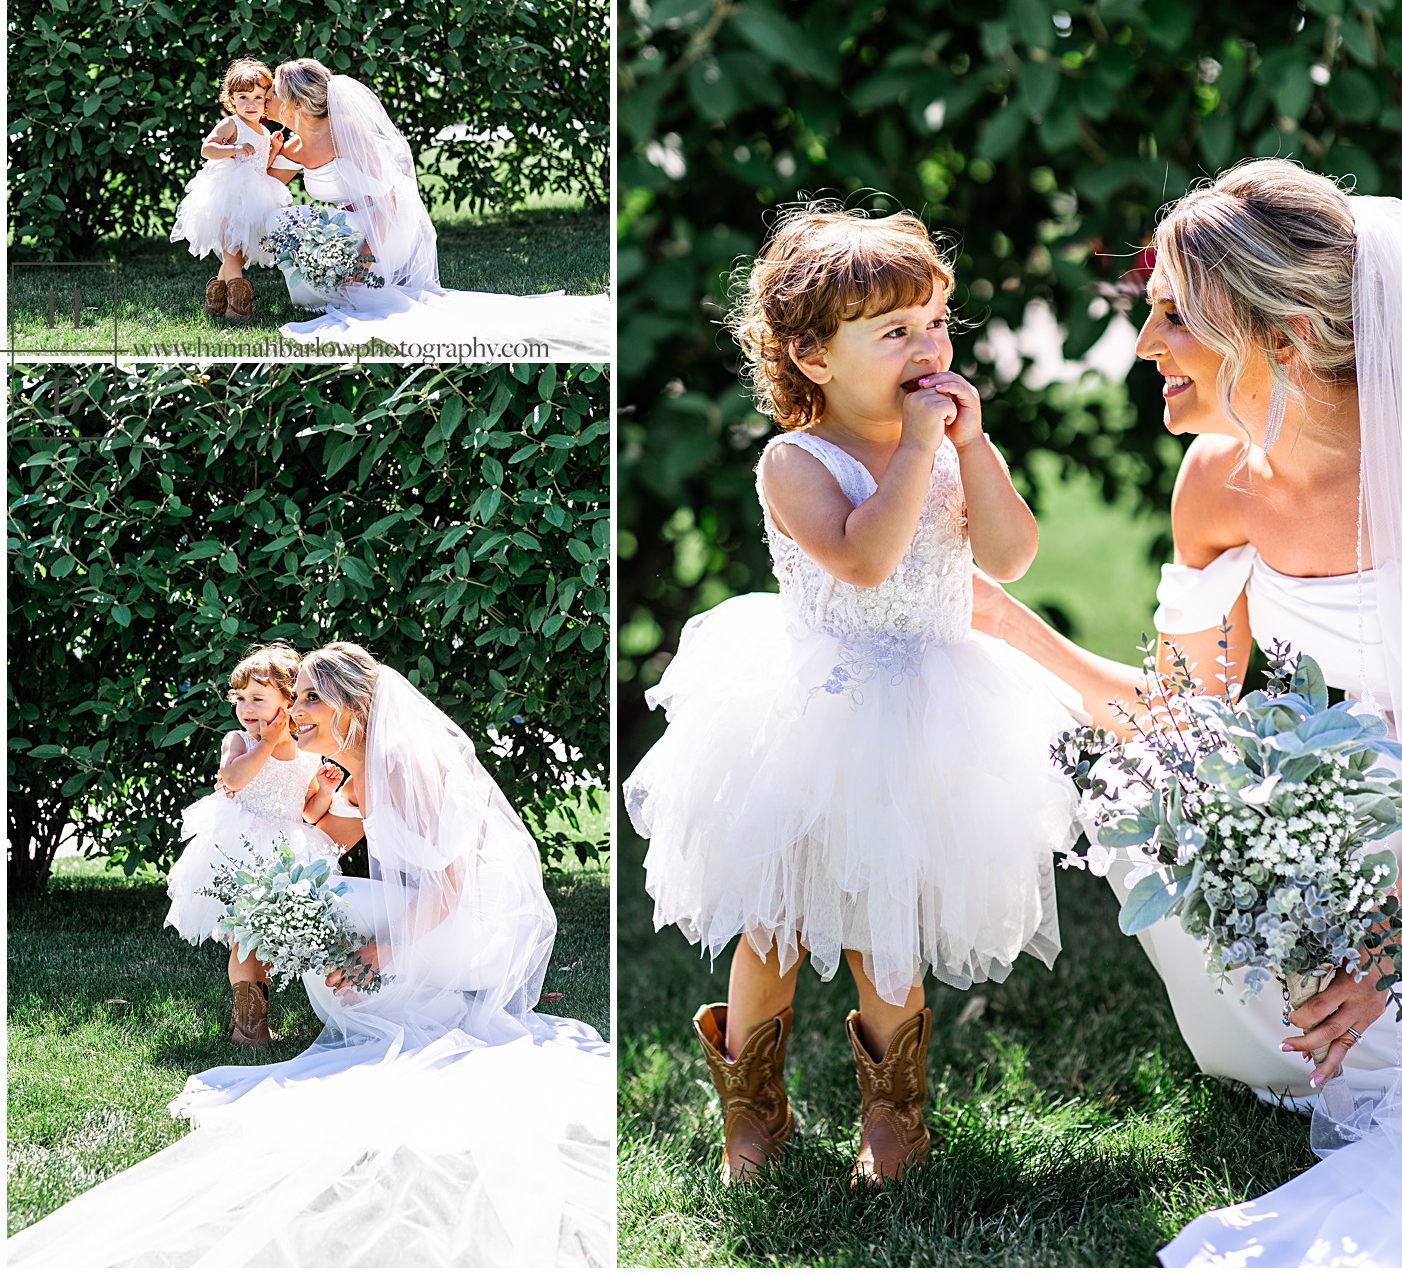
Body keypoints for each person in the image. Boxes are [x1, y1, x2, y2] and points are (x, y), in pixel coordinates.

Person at [973, 160, 1402, 1266]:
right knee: (1173, 806)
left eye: (1177, 319)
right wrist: (1001, 622)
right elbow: (1179, 720)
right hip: (1348, 796)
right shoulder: (1218, 479)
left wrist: (1390, 940)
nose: (1145, 345)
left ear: (1286, 337)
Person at [623, 203, 1081, 1185]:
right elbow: (866, 559)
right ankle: (753, 1109)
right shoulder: (797, 461)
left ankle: (894, 1111)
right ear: (815, 357)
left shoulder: (950, 447)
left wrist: (975, 448)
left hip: (931, 715)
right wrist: (921, 449)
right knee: (773, 924)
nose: (927, 347)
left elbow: (1010, 552)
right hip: (814, 714)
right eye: (894, 331)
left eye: (934, 323)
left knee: (890, 926)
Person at [10, 642, 613, 1266]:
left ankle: (410, 991)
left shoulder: (405, 763)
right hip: (435, 907)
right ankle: (349, 995)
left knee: (339, 912)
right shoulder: (358, 762)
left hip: (470, 921)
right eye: (293, 698)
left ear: (350, 704)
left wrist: (380, 951)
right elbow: (341, 833)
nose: (292, 712)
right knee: (326, 903)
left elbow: (453, 882)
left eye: (307, 699)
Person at [263, 58, 612, 359]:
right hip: (350, 224)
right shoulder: (292, 143)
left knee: (301, 222)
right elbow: (267, 182)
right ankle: (322, 292)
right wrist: (265, 152)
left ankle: (339, 285)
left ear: (295, 99)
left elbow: (388, 200)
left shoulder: (346, 132)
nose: (270, 100)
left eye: (275, 93)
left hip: (384, 227)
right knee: (285, 221)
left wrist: (366, 256)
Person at [163, 643, 342, 1047]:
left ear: (288, 700)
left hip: (285, 851)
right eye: (240, 698)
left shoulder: (305, 754)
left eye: (258, 699)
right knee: (245, 937)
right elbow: (236, 778)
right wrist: (266, 739)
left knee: (263, 939)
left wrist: (327, 792)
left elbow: (308, 811)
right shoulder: (238, 741)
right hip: (240, 848)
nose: (246, 707)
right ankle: (249, 1028)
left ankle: (251, 1020)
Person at [169, 58, 294, 323]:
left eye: (258, 97)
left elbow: (261, 166)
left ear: (266, 101)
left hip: (256, 196)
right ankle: (237, 306)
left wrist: (273, 149)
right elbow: (207, 149)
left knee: (242, 251)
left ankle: (215, 299)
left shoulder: (262, 129)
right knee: (234, 249)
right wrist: (233, 149)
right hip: (231, 196)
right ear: (231, 99)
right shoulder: (232, 124)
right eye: (243, 97)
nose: (251, 104)